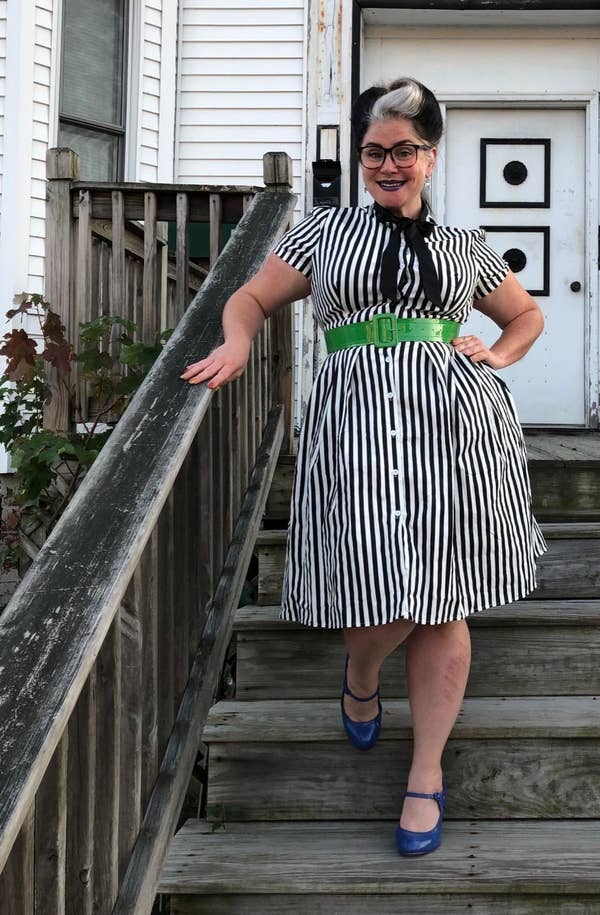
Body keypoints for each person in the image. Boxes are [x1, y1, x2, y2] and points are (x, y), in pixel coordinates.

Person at [180, 76, 548, 857]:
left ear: (430, 156)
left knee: (447, 602)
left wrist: (498, 351)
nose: (389, 164)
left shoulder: (462, 246)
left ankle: (425, 772)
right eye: (375, 150)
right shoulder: (324, 234)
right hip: (355, 431)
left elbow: (525, 315)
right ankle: (360, 672)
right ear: (359, 156)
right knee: (379, 600)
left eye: (404, 150)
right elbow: (248, 301)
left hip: (457, 430)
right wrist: (237, 341)